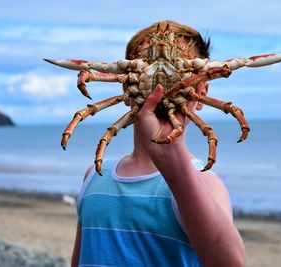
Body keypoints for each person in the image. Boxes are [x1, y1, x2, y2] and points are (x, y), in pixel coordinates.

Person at [71, 21, 245, 267]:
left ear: (202, 92)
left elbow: (230, 262)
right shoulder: (94, 176)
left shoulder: (203, 182)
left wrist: (174, 166)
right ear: (125, 87)